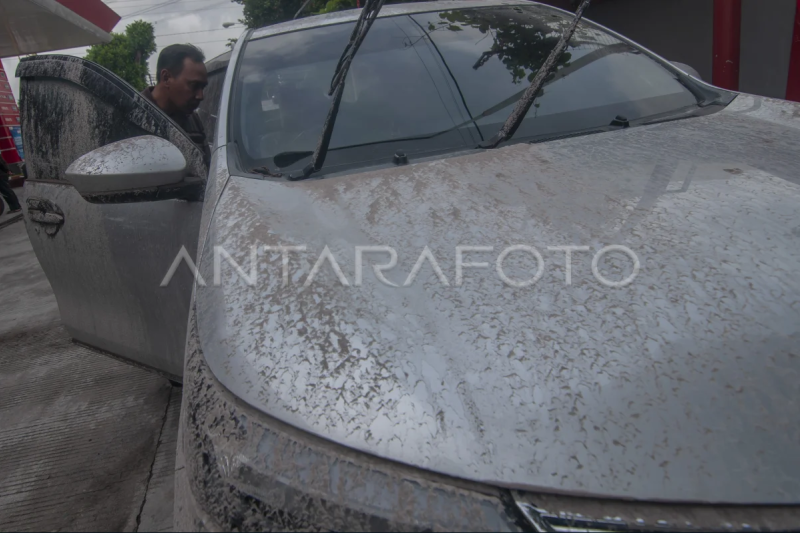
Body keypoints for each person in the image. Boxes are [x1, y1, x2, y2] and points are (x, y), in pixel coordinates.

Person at [141, 44, 211, 166]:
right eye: (194, 86)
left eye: (203, 87)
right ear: (166, 78)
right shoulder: (134, 115)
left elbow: (207, 169)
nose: (200, 96)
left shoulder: (193, 121)